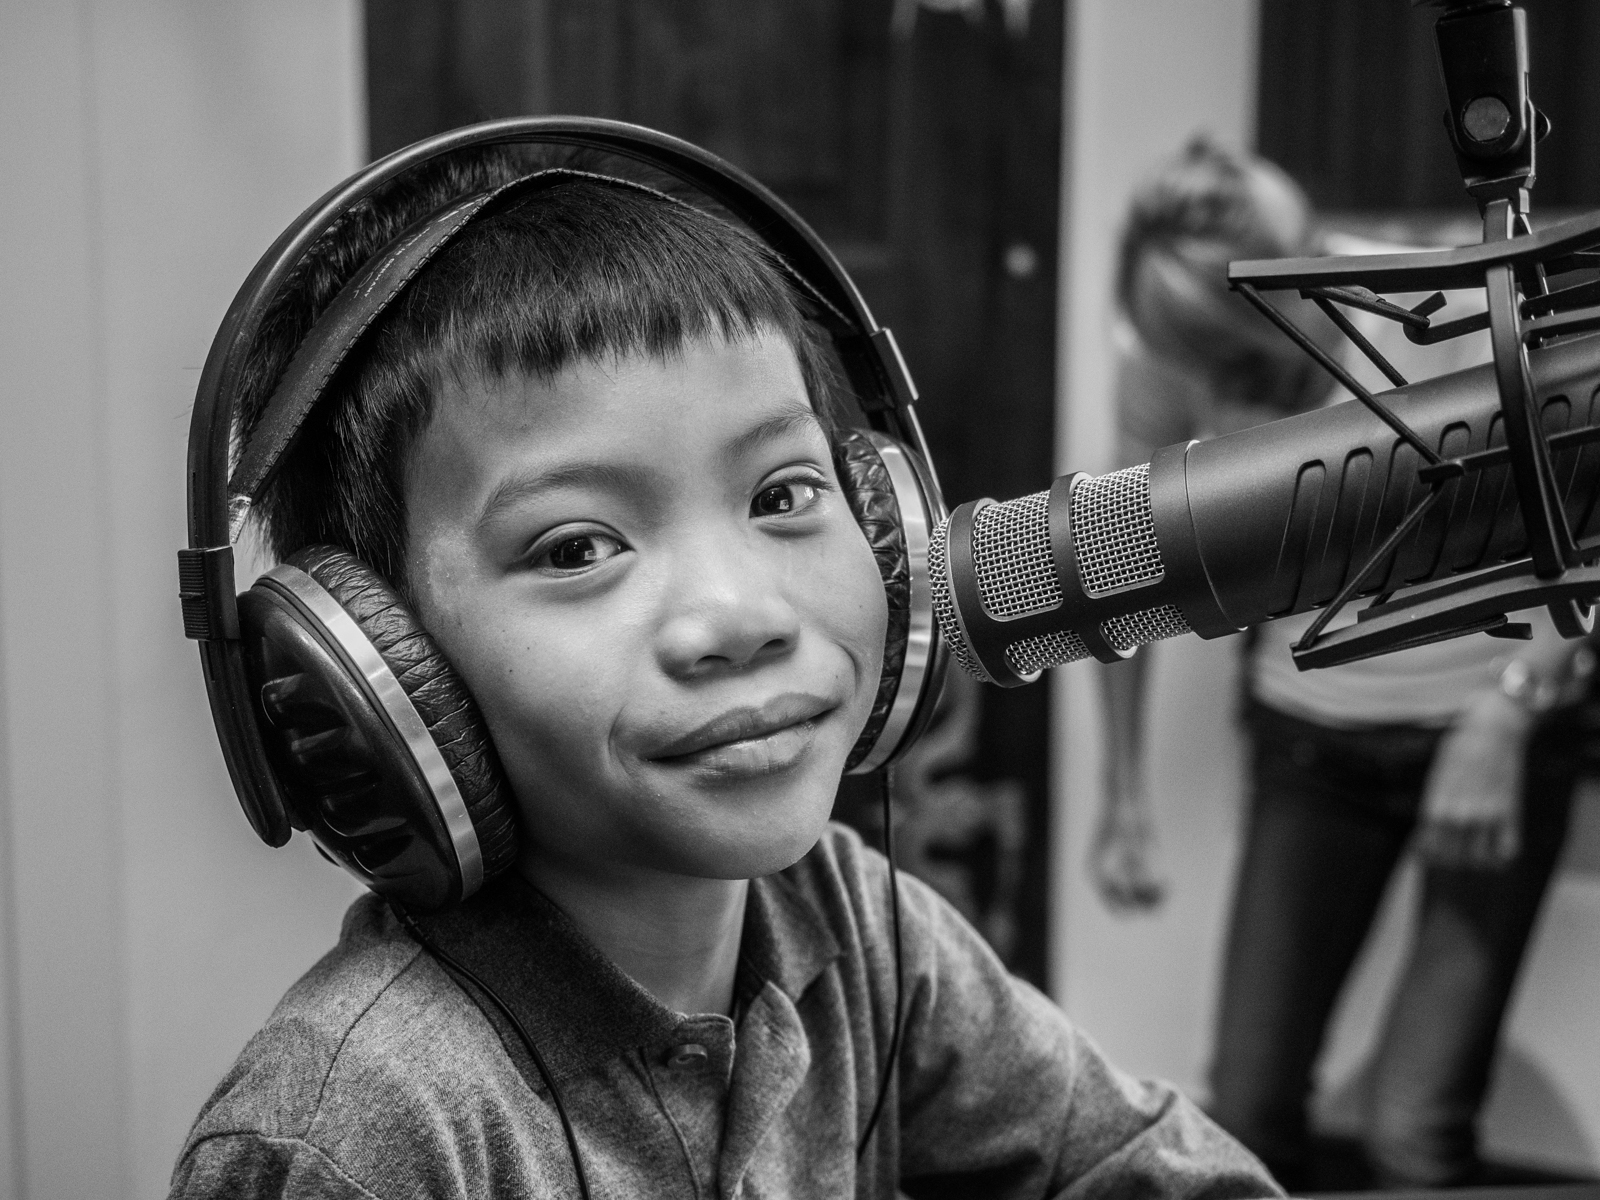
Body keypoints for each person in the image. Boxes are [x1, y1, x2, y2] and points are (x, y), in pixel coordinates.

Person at [169, 146, 1280, 1199]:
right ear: (375, 668)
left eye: (782, 494)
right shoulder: (358, 1132)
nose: (740, 618)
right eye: (576, 549)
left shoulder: (848, 923)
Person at [1095, 136, 1595, 1190]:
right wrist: (1123, 794)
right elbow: (1123, 567)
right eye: (1217, 374)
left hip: (1487, 738)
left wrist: (1508, 713)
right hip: (1309, 751)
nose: (1234, 396)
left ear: (1307, 268)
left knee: (1413, 1130)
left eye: (1250, 365)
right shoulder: (1170, 351)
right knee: (1247, 1107)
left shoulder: (1447, 308)